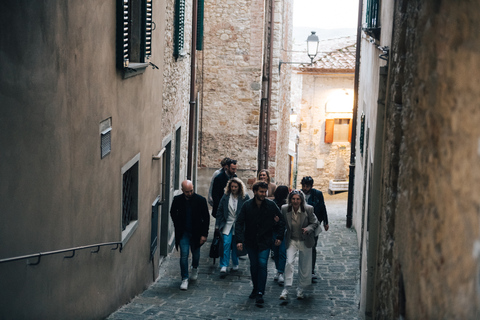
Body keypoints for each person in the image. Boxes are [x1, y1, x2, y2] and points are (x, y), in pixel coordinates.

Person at [235, 181, 285, 306]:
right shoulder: (247, 205)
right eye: (261, 192)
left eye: (265, 191)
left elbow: (281, 220)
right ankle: (255, 288)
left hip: (265, 240)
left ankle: (260, 293)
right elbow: (239, 223)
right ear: (255, 191)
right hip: (251, 241)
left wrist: (279, 236)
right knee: (254, 265)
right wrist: (239, 240)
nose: (264, 194)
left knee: (262, 264)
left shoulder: (271, 205)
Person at [170, 180, 210, 291]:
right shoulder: (177, 200)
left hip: (196, 233)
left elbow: (206, 218)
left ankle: (195, 268)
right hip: (184, 233)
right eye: (187, 191)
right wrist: (178, 224)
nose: (189, 193)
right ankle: (184, 278)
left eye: (191, 190)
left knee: (196, 255)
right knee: (184, 255)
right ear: (182, 190)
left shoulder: (200, 200)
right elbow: (173, 212)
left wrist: (204, 234)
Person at [279, 190, 318, 300]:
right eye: (293, 199)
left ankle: (300, 289)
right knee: (289, 263)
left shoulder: (308, 209)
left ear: (301, 200)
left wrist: (308, 229)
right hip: (292, 240)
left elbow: (315, 222)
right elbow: (281, 222)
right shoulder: (284, 208)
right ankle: (286, 289)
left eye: (298, 199)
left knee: (304, 266)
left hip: (305, 240)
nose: (295, 201)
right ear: (290, 199)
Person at [215, 177, 250, 278]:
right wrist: (218, 224)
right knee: (226, 243)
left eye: (235, 186)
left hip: (239, 225)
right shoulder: (225, 196)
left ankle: (235, 263)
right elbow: (220, 210)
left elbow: (248, 211)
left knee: (236, 244)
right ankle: (224, 265)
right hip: (227, 224)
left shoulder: (244, 197)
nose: (233, 188)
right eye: (232, 186)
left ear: (239, 187)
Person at [300, 176, 329, 280]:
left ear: (311, 186)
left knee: (312, 247)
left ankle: (311, 270)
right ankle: (304, 269)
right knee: (303, 247)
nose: (305, 188)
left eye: (307, 186)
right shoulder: (299, 194)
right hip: (302, 225)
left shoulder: (318, 194)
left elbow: (322, 207)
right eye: (303, 185)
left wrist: (326, 222)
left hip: (315, 223)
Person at [271, 185, 289, 285]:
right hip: (274, 230)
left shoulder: (287, 205)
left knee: (282, 251)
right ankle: (278, 270)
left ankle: (281, 271)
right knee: (276, 252)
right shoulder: (273, 204)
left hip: (284, 231)